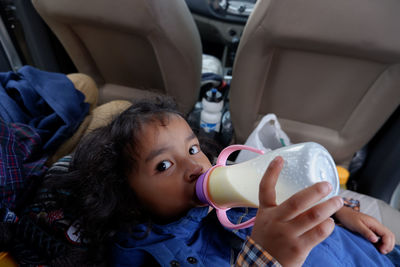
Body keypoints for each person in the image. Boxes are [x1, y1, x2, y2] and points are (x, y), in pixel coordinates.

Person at [41, 96, 397, 266]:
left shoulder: (232, 194)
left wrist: (337, 212)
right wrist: (267, 256)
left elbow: (289, 193)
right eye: (163, 166)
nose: (194, 166)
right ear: (129, 198)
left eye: (193, 148)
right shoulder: (150, 255)